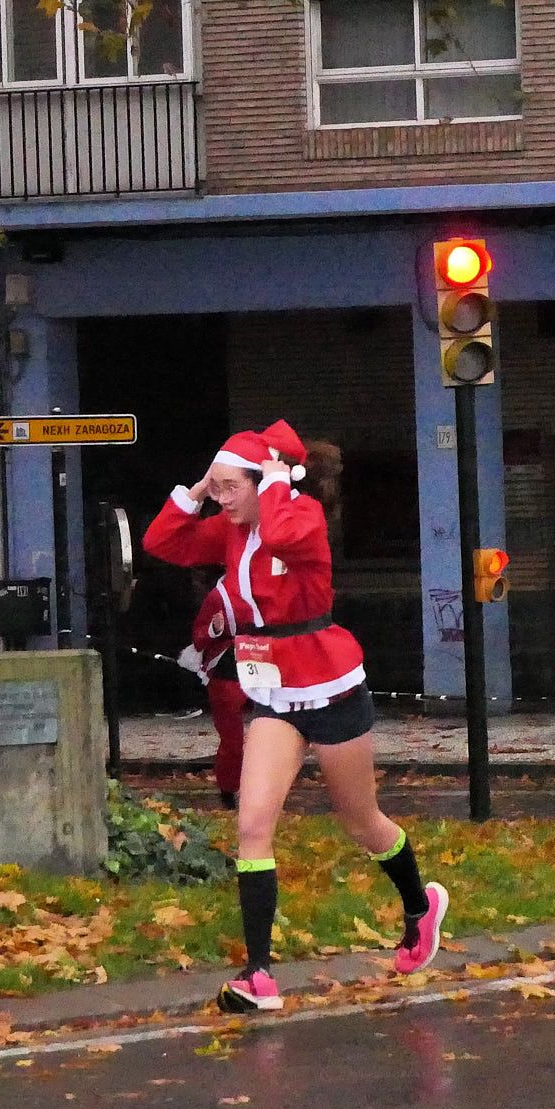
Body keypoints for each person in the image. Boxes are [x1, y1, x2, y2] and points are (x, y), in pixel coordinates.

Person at [144, 419, 448, 1013]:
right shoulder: (230, 528)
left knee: (362, 823)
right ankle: (258, 975)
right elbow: (163, 543)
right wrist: (197, 493)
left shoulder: (300, 515)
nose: (225, 498)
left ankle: (419, 907)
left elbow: (283, 537)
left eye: (234, 487)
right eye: (220, 487)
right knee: (253, 826)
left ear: (268, 480)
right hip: (271, 693)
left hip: (330, 686)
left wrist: (278, 485)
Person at [177, 579, 246, 809]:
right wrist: (214, 629)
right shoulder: (218, 597)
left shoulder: (272, 585)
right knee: (232, 739)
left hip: (267, 665)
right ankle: (229, 790)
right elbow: (199, 638)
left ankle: (266, 789)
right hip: (228, 671)